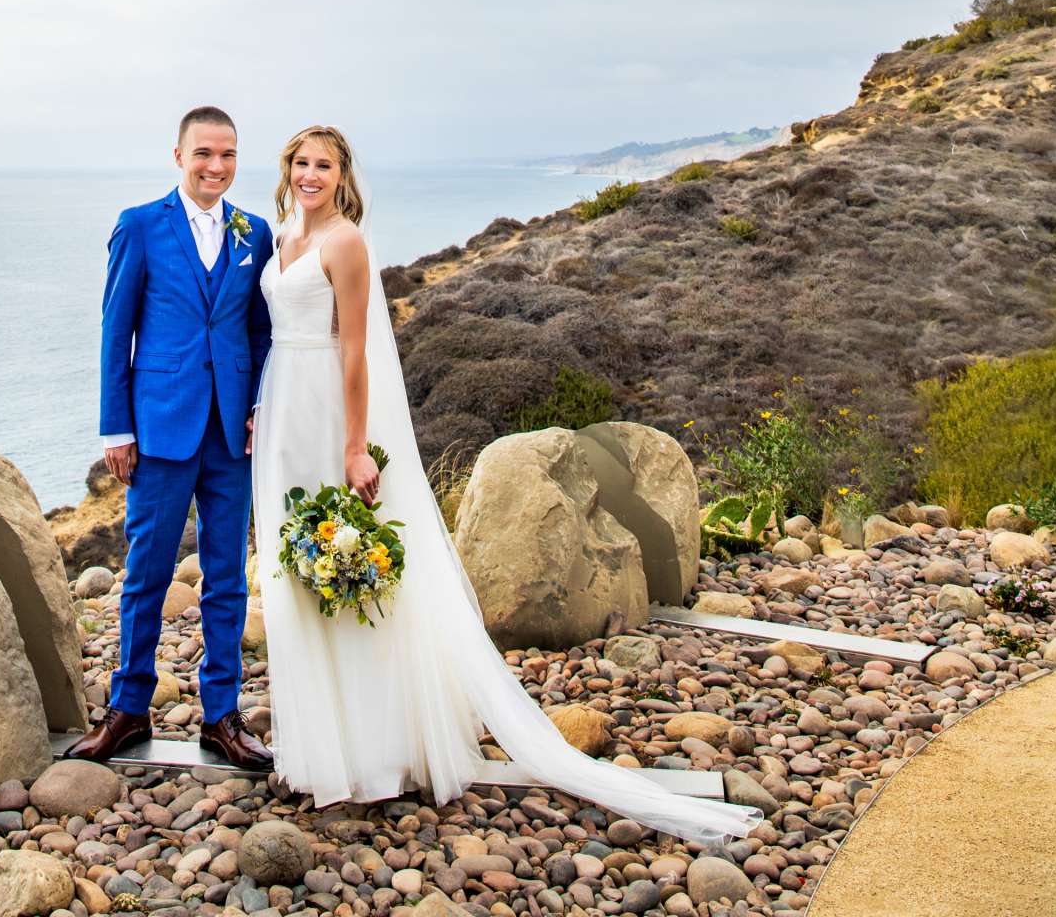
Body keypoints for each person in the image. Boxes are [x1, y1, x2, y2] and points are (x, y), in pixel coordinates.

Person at [251, 125, 764, 842]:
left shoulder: (345, 241)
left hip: (329, 410)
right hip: (281, 414)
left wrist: (354, 446)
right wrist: (258, 411)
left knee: (354, 573)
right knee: (297, 574)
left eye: (324, 165)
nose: (311, 175)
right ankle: (316, 749)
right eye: (301, 164)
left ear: (342, 176)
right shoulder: (277, 238)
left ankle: (370, 754)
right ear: (287, 171)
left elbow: (357, 351)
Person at [70, 106, 275, 772]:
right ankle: (128, 710)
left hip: (231, 429)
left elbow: (258, 329)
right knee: (148, 574)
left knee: (225, 578)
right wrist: (117, 426)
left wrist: (259, 402)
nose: (217, 166)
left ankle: (222, 717)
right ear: (179, 156)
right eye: (204, 154)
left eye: (228, 155)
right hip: (159, 427)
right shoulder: (141, 227)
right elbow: (114, 329)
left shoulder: (256, 233)